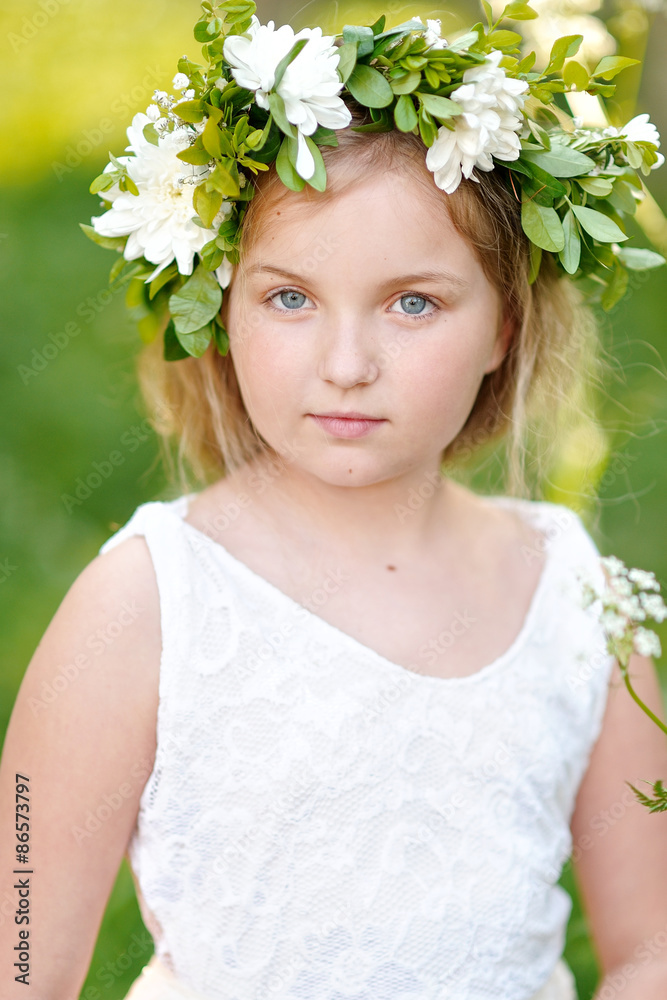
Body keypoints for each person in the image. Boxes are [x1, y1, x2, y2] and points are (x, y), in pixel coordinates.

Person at [1, 4, 667, 999]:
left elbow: (649, 947)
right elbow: (22, 962)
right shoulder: (146, 605)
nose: (347, 365)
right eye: (290, 297)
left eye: (412, 303)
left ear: (503, 326)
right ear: (220, 307)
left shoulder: (580, 603)